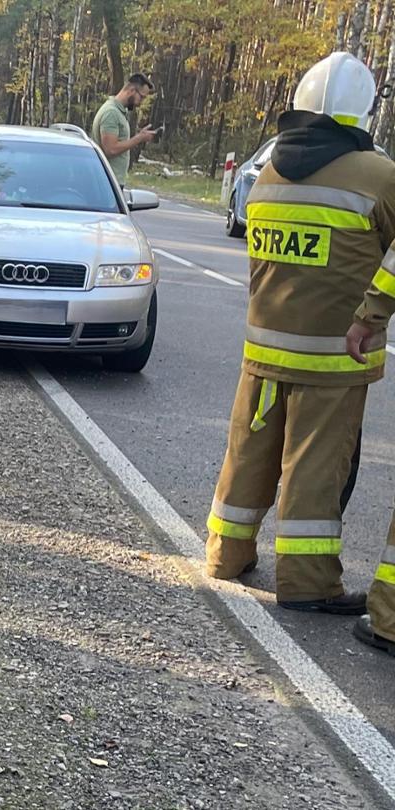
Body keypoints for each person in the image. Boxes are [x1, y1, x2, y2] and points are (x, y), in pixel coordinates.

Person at [207, 51, 395, 618]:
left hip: (264, 348)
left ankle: (225, 554)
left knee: (248, 455)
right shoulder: (379, 176)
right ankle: (307, 582)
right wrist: (373, 313)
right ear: (362, 114)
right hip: (334, 358)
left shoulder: (268, 174)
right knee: (314, 468)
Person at [92, 74, 160, 182]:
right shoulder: (111, 113)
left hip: (113, 180)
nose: (142, 102)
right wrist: (139, 138)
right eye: (142, 97)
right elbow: (110, 149)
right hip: (107, 181)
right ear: (132, 90)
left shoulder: (119, 112)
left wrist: (140, 135)